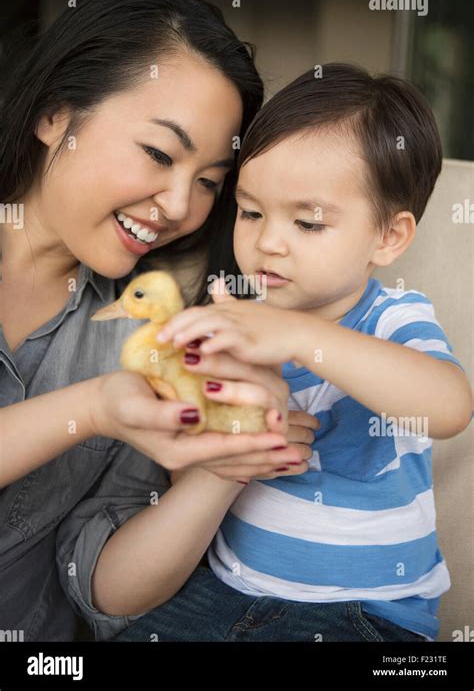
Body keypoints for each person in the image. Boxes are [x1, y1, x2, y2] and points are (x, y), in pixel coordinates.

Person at [0, 0, 317, 641]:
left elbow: (106, 591)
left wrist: (226, 465)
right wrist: (91, 409)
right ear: (56, 112)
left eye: (207, 183)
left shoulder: (148, 340)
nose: (179, 205)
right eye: (158, 152)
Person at [115, 63, 472, 642]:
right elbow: (185, 472)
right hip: (221, 588)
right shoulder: (225, 321)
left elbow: (450, 407)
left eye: (307, 223)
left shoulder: (395, 317)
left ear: (389, 237)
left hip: (366, 614)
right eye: (251, 212)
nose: (267, 242)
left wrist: (300, 337)